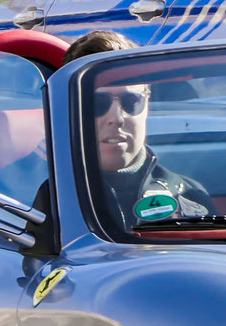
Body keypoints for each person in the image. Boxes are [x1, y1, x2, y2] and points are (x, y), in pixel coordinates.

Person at [63, 31, 214, 224]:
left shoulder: (188, 195)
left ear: (147, 105)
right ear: (72, 107)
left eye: (131, 101)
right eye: (97, 103)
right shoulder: (52, 200)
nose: (116, 118)